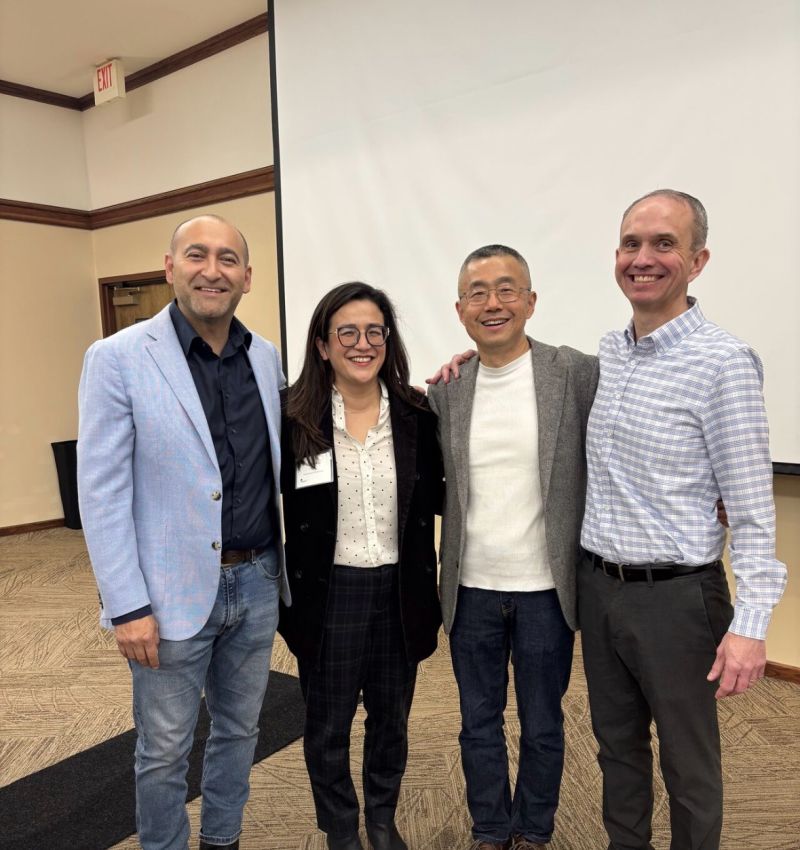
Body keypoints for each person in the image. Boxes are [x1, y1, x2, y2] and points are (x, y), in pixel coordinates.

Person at [580, 189, 788, 850]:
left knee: (689, 768)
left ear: (697, 260)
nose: (643, 258)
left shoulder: (723, 363)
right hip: (599, 589)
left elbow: (753, 511)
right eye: (632, 244)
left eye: (663, 244)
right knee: (615, 750)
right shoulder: (609, 353)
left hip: (676, 600)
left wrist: (751, 626)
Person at [77, 215, 289, 850]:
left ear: (247, 278)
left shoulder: (266, 357)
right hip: (166, 597)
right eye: (197, 255)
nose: (213, 269)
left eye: (229, 259)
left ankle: (223, 840)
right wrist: (127, 606)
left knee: (240, 732)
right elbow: (103, 493)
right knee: (164, 749)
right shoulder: (117, 358)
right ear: (170, 267)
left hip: (256, 584)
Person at [427, 246, 598, 850]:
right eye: (477, 292)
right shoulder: (447, 390)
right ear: (460, 309)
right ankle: (490, 829)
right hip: (470, 588)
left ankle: (534, 828)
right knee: (477, 724)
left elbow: (634, 425)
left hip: (546, 591)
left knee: (544, 724)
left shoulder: (574, 373)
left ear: (530, 301)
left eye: (506, 289)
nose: (492, 303)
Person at [278, 282, 443, 850]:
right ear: (323, 345)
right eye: (346, 331)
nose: (362, 342)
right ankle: (341, 828)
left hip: (402, 591)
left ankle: (381, 817)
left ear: (387, 340)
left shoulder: (419, 415)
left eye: (374, 330)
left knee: (390, 722)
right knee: (326, 727)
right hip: (329, 594)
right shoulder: (293, 417)